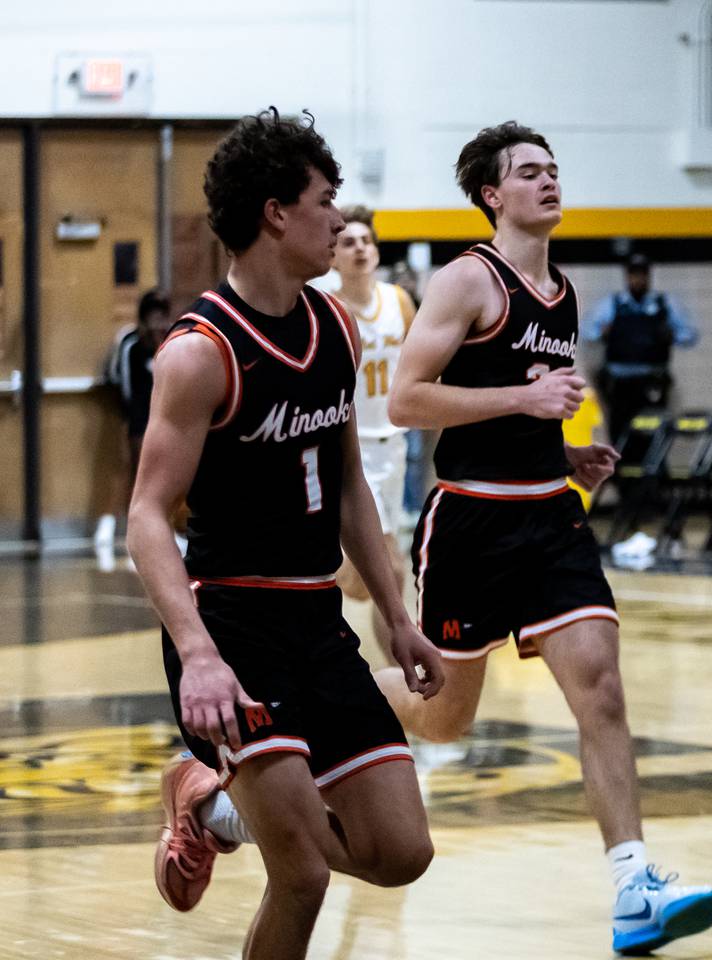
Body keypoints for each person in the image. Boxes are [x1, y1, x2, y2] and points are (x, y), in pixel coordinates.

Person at [380, 120, 712, 954]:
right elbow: (405, 399)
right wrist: (524, 407)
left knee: (600, 686)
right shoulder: (467, 281)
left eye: (554, 169)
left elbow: (519, 397)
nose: (548, 181)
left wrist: (564, 452)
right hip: (470, 521)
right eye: (530, 172)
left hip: (551, 517)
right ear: (492, 195)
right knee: (444, 719)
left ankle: (634, 886)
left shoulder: (563, 290)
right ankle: (328, 711)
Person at [130, 109, 444, 960]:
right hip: (234, 628)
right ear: (276, 211)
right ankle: (235, 803)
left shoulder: (336, 328)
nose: (340, 220)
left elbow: (348, 486)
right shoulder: (200, 353)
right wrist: (197, 654)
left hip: (317, 624)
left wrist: (397, 612)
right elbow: (147, 518)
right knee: (301, 875)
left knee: (400, 852)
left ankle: (209, 804)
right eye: (325, 201)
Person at [328, 205, 417, 655]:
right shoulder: (326, 310)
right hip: (351, 449)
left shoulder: (398, 301)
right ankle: (405, 675)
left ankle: (398, 678)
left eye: (366, 241)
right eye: (348, 241)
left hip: (395, 444)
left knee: (373, 579)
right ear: (333, 256)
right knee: (391, 572)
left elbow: (422, 367)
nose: (360, 248)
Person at [582, 251, 699, 437]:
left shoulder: (663, 304)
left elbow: (690, 336)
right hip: (620, 382)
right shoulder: (613, 304)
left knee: (653, 433)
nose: (638, 279)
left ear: (648, 275)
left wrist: (671, 335)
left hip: (652, 380)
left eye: (642, 274)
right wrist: (603, 332)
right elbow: (587, 332)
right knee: (621, 433)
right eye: (633, 274)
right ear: (627, 276)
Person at [95, 288, 174, 550]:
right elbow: (125, 385)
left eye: (162, 316)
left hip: (165, 418)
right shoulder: (130, 344)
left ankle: (168, 526)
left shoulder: (171, 340)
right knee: (130, 467)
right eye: (153, 317)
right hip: (136, 416)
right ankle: (113, 524)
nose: (158, 323)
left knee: (166, 472)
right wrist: (133, 421)